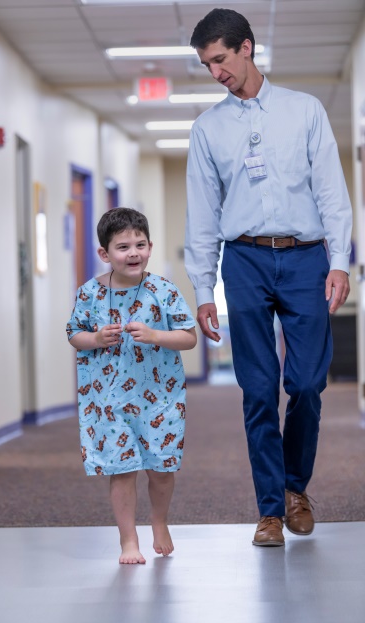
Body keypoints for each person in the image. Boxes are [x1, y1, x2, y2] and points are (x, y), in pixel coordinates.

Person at [185, 8, 352, 546]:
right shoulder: (208, 128)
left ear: (247, 48)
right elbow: (202, 214)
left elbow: (332, 193)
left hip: (306, 259)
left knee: (305, 383)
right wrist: (202, 287)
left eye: (220, 59)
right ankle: (271, 511)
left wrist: (342, 260)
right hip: (245, 261)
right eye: (207, 64)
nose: (216, 72)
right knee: (258, 389)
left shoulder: (305, 111)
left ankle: (295, 486)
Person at [67, 207, 197, 564]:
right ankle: (128, 541)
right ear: (105, 254)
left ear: (151, 247)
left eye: (140, 244)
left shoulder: (163, 291)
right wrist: (95, 338)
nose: (134, 252)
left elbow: (189, 338)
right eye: (123, 247)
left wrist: (156, 335)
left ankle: (159, 521)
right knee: (121, 469)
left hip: (161, 399)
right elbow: (73, 335)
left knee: (161, 468)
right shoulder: (89, 293)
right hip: (107, 399)